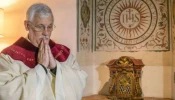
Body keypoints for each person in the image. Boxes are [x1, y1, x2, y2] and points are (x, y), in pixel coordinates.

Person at [0, 3, 87, 100]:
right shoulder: (9, 57)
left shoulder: (63, 53)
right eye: (40, 27)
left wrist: (56, 67)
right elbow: (5, 91)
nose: (46, 33)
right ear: (27, 25)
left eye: (49, 27)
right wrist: (40, 69)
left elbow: (80, 80)